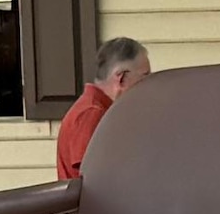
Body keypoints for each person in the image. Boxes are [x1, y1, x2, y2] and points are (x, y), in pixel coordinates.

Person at [52, 36, 149, 181]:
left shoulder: (104, 111)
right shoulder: (91, 113)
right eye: (145, 77)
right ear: (121, 79)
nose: (149, 84)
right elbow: (92, 179)